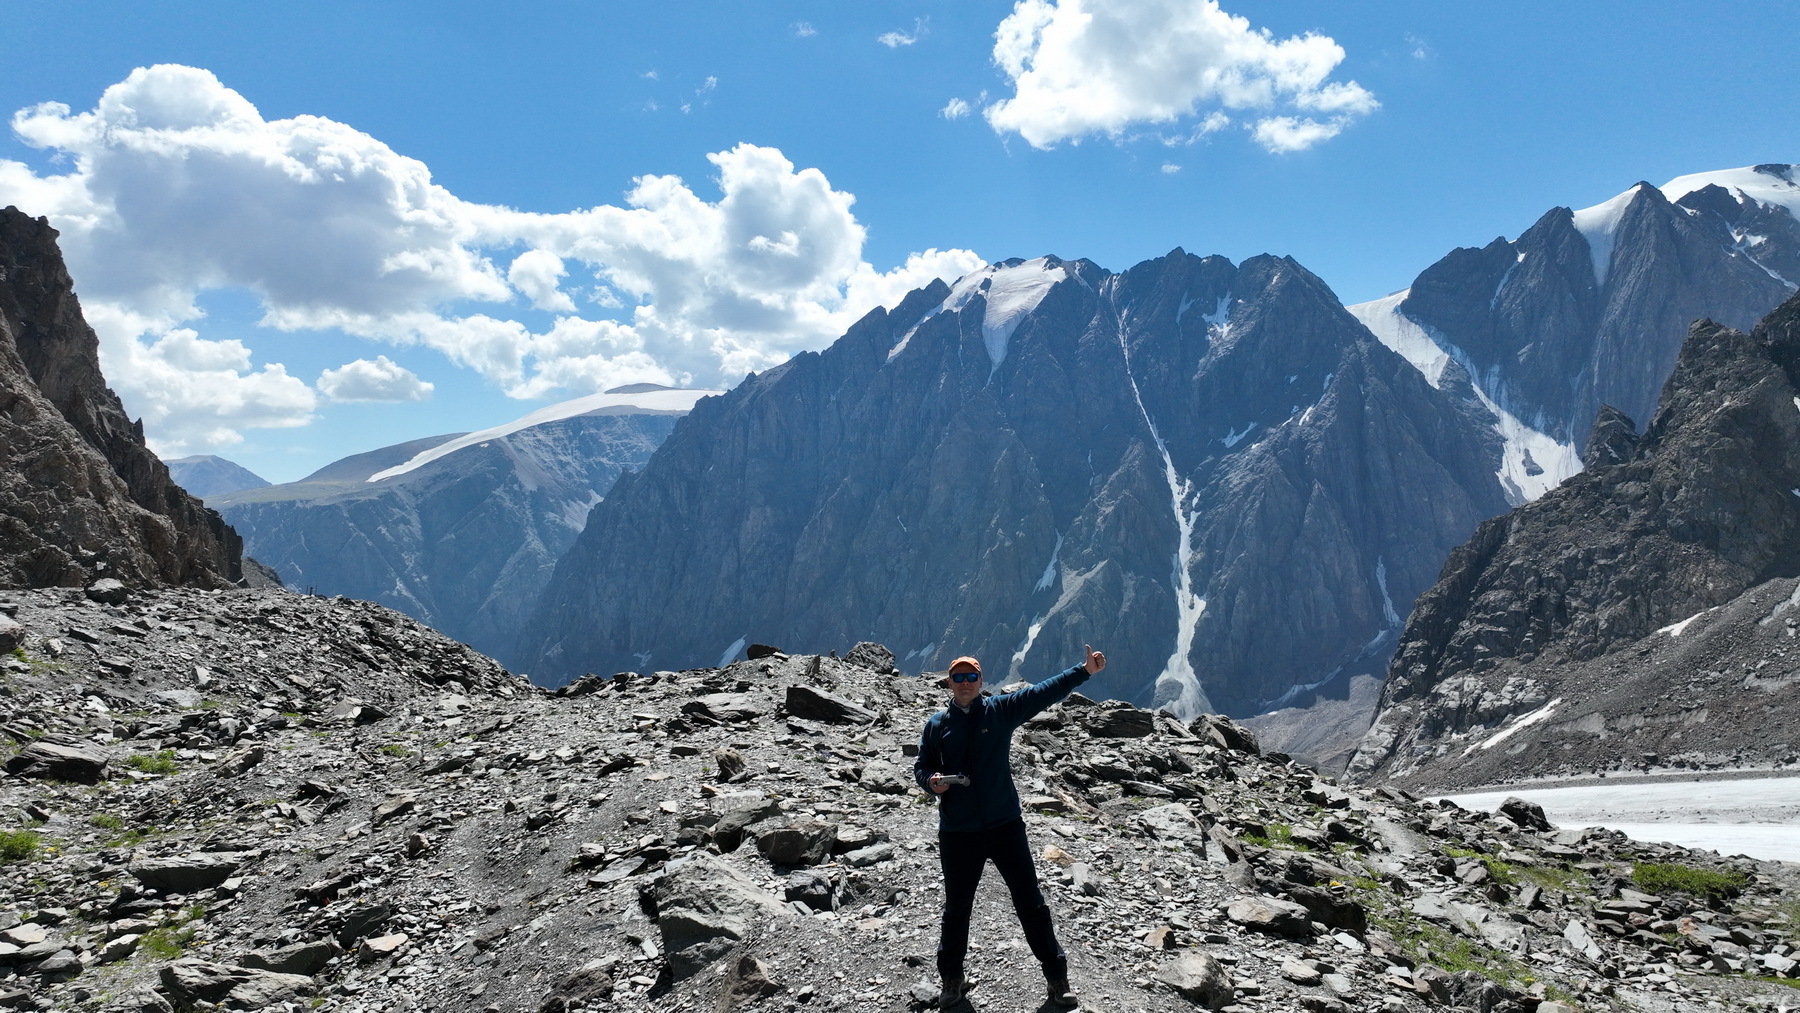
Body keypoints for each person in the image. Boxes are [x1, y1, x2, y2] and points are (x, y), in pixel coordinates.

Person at [913, 645, 1106, 1010]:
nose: (966, 682)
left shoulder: (1001, 711)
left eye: (972, 676)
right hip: (958, 832)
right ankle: (952, 980)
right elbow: (922, 766)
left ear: (981, 681)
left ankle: (1057, 979)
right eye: (959, 677)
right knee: (957, 908)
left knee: (1030, 903)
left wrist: (1084, 671)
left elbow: (1043, 692)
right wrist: (931, 781)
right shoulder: (937, 725)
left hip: (1004, 825)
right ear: (949, 683)